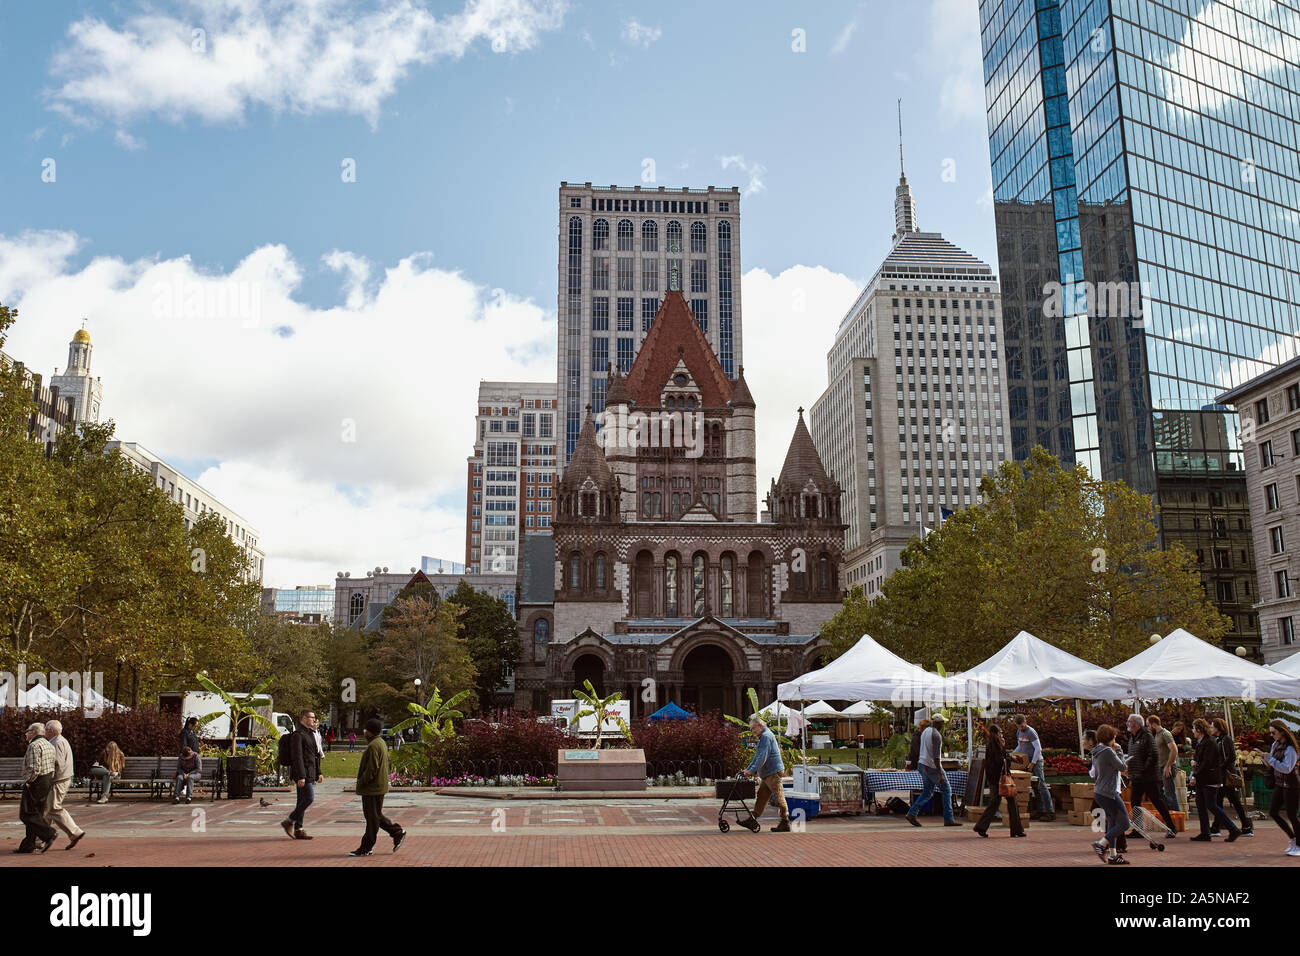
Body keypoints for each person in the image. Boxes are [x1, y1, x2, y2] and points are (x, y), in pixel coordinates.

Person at [350, 717, 406, 856]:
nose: (364, 731)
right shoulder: (380, 742)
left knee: (372, 818)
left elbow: (372, 769)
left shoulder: (373, 745)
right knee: (375, 816)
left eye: (365, 729)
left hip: (372, 788)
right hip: (378, 786)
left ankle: (367, 847)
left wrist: (361, 782)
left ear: (370, 732)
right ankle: (396, 832)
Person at [1123, 714, 1177, 838]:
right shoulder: (1132, 737)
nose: (1127, 723)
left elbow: (1153, 755)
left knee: (1157, 801)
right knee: (1135, 802)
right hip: (1137, 776)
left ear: (1136, 724)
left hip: (1149, 777)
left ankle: (1171, 827)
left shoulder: (1146, 736)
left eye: (1129, 721)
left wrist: (1143, 769)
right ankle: (1138, 829)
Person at [1188, 718, 1241, 842]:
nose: (1193, 731)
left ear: (1199, 730)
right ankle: (1205, 832)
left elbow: (1207, 762)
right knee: (1201, 805)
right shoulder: (1202, 742)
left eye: (1194, 728)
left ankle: (1233, 829)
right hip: (1204, 778)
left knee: (1211, 805)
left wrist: (1195, 773)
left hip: (1210, 778)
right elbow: (1200, 760)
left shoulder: (1209, 742)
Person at [905, 713, 961, 828]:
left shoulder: (926, 731)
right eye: (942, 722)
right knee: (946, 789)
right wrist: (940, 774)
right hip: (931, 766)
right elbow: (936, 757)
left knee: (928, 791)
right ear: (938, 723)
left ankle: (912, 813)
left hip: (922, 764)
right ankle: (949, 818)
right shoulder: (936, 735)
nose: (943, 724)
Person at [1255, 719, 1300, 855]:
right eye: (1271, 733)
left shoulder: (1291, 749)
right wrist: (1264, 757)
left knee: (1292, 815)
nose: (1272, 735)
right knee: (1273, 812)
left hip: (1292, 785)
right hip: (1280, 784)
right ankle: (1293, 838)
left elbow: (1287, 768)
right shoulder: (1275, 744)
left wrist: (1270, 759)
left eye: (1274, 732)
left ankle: (1298, 844)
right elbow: (1272, 765)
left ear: (1282, 732)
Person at [973, 724, 1025, 838]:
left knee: (995, 803)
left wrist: (1009, 756)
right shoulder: (996, 746)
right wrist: (1007, 754)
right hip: (1001, 779)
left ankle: (981, 826)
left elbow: (1001, 758)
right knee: (1011, 802)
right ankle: (1016, 830)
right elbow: (1000, 760)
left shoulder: (991, 745)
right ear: (996, 734)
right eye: (1000, 732)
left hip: (994, 779)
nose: (1001, 734)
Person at [741, 717, 789, 832]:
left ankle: (785, 821)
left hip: (772, 772)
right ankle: (753, 819)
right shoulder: (764, 736)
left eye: (754, 728)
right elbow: (757, 756)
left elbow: (762, 756)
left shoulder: (766, 737)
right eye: (751, 729)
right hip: (768, 773)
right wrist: (748, 769)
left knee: (778, 797)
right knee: (762, 796)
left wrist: (751, 771)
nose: (752, 731)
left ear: (761, 725)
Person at [1090, 724, 1130, 863]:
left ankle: (1113, 855)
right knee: (1125, 823)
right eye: (1114, 736)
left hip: (1099, 791)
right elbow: (1122, 767)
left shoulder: (1096, 751)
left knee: (1112, 822)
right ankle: (1100, 844)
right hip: (1109, 792)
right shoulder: (1108, 751)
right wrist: (1119, 751)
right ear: (1111, 737)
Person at [15, 723, 58, 854]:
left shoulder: (34, 745)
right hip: (47, 780)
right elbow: (53, 764)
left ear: (33, 732)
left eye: (27, 731)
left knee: (26, 814)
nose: (26, 734)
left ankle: (48, 833)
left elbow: (34, 767)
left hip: (36, 781)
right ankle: (28, 845)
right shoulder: (49, 745)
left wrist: (29, 781)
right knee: (36, 812)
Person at [43, 720, 85, 849]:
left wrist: (49, 777)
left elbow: (58, 763)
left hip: (58, 781)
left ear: (51, 731)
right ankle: (41, 838)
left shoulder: (57, 742)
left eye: (46, 729)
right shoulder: (59, 741)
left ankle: (74, 832)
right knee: (47, 809)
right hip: (60, 780)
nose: (44, 731)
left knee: (52, 808)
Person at [282, 710, 322, 840]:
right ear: (304, 719)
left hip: (310, 771)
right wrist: (301, 776)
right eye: (312, 717)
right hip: (302, 773)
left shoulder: (310, 733)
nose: (314, 720)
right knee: (309, 798)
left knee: (301, 800)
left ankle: (298, 829)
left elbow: (315, 754)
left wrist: (319, 772)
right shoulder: (298, 735)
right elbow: (297, 756)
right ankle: (289, 821)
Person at [1208, 718, 1252, 837]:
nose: (1211, 729)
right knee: (1222, 800)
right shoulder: (1218, 739)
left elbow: (1231, 756)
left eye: (1212, 726)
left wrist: (1220, 767)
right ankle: (1218, 826)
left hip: (1226, 775)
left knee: (1225, 800)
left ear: (1218, 728)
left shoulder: (1225, 739)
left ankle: (1243, 826)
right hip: (1222, 775)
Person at [1012, 714, 1055, 821]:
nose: (1021, 728)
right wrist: (1013, 754)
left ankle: (1050, 811)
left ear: (1025, 722)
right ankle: (1041, 810)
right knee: (1035, 786)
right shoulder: (1019, 732)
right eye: (1019, 726)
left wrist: (1033, 763)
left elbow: (1038, 748)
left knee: (1042, 785)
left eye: (1022, 726)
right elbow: (1020, 746)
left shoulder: (1031, 732)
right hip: (1027, 761)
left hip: (1036, 761)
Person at [1147, 715, 1181, 813]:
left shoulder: (1165, 734)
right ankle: (1169, 813)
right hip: (1161, 768)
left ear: (1154, 724)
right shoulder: (1157, 734)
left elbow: (1174, 750)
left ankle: (1176, 814)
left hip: (1167, 768)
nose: (1148, 728)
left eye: (1149, 725)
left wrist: (1168, 766)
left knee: (1170, 793)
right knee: (1160, 792)